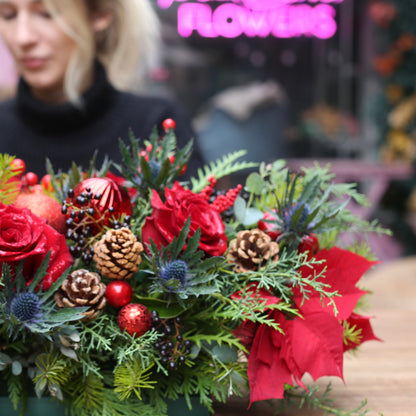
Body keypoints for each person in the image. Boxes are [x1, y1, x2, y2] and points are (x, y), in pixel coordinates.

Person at [0, 0, 203, 178]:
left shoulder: (158, 125)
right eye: (8, 15)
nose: (23, 37)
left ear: (99, 13)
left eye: (46, 14)